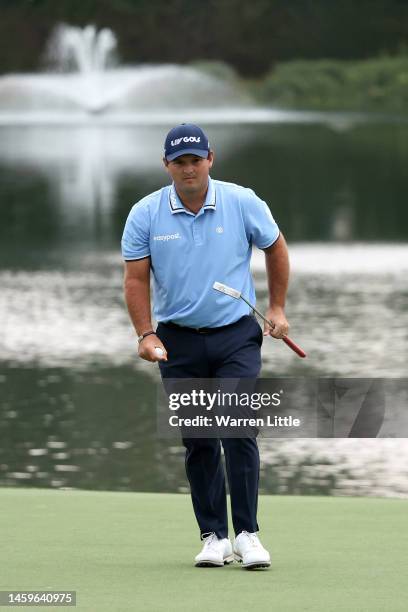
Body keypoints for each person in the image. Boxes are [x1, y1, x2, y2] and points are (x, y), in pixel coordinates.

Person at [121, 123, 290, 570]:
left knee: (236, 427)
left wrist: (276, 308)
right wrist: (145, 334)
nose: (189, 168)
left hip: (236, 334)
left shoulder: (241, 201)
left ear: (210, 159)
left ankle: (248, 535)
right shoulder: (146, 213)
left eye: (196, 159)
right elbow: (136, 278)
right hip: (177, 341)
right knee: (198, 440)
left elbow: (275, 247)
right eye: (180, 162)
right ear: (167, 166)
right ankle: (213, 536)